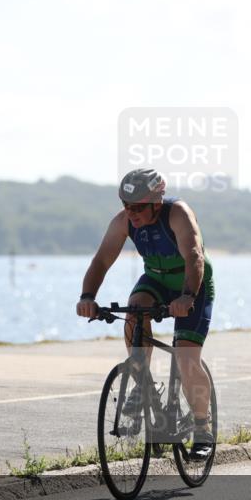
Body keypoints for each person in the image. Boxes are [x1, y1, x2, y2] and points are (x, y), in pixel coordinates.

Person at [76, 168, 215, 460]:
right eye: (126, 206)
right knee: (136, 307)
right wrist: (88, 296)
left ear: (156, 201)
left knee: (187, 358)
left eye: (138, 207)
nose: (131, 213)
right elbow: (102, 260)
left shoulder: (177, 213)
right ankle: (141, 382)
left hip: (192, 282)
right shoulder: (124, 221)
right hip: (156, 280)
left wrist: (187, 296)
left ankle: (203, 429)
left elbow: (194, 256)